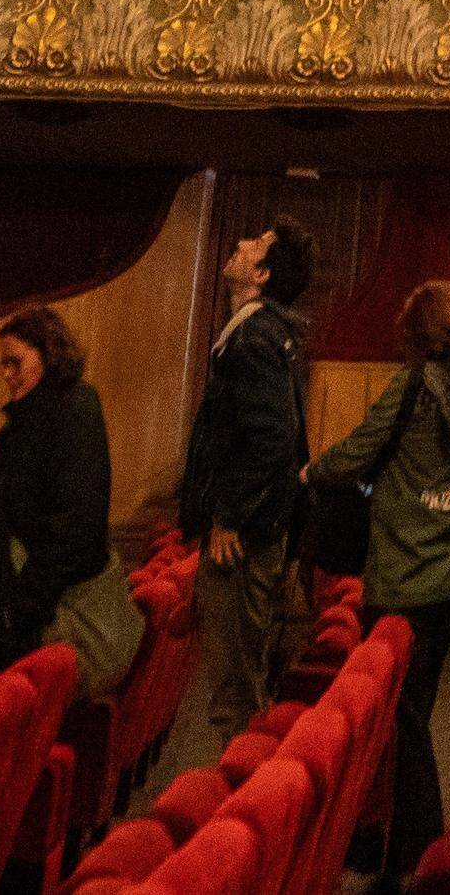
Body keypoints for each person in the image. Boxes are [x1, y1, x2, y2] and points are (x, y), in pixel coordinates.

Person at [312, 280, 450, 895]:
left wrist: (309, 471)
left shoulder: (415, 384)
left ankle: (417, 859)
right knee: (409, 712)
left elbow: (356, 456)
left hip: (403, 573)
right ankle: (395, 851)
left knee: (405, 719)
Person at [174, 218, 314, 737]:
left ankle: (237, 804)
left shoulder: (254, 338)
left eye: (253, 245)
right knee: (242, 677)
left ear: (260, 273)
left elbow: (273, 441)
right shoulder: (264, 333)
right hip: (260, 527)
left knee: (236, 688)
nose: (238, 244)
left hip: (244, 539)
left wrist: (228, 515)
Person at [0, 304, 116, 684]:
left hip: (23, 631)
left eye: (16, 362)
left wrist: (20, 610)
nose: (8, 375)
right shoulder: (27, 420)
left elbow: (77, 525)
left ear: (48, 353)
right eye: (2, 365)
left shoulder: (72, 411)